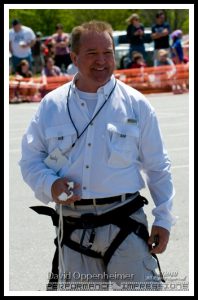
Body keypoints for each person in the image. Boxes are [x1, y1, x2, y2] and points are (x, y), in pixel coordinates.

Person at [19, 21, 175, 291]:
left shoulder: (137, 104)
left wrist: (163, 219)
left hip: (125, 223)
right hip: (73, 227)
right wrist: (49, 185)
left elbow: (158, 166)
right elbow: (31, 160)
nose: (102, 61)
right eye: (92, 53)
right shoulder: (51, 106)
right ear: (74, 56)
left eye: (108, 52)